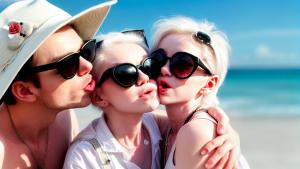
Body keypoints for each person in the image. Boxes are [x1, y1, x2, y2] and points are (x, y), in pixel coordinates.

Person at [63, 29, 242, 169]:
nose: (143, 77)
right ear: (98, 96)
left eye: (148, 66)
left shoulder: (156, 126)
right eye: (125, 73)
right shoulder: (85, 157)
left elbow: (193, 121)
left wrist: (225, 129)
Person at [0, 0, 116, 168]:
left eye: (87, 51)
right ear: (25, 91)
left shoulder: (64, 118)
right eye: (68, 64)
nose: (88, 66)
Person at [149, 16, 250, 169]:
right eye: (158, 59)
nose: (164, 69)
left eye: (182, 64)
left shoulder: (197, 132)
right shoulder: (168, 127)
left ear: (209, 83)